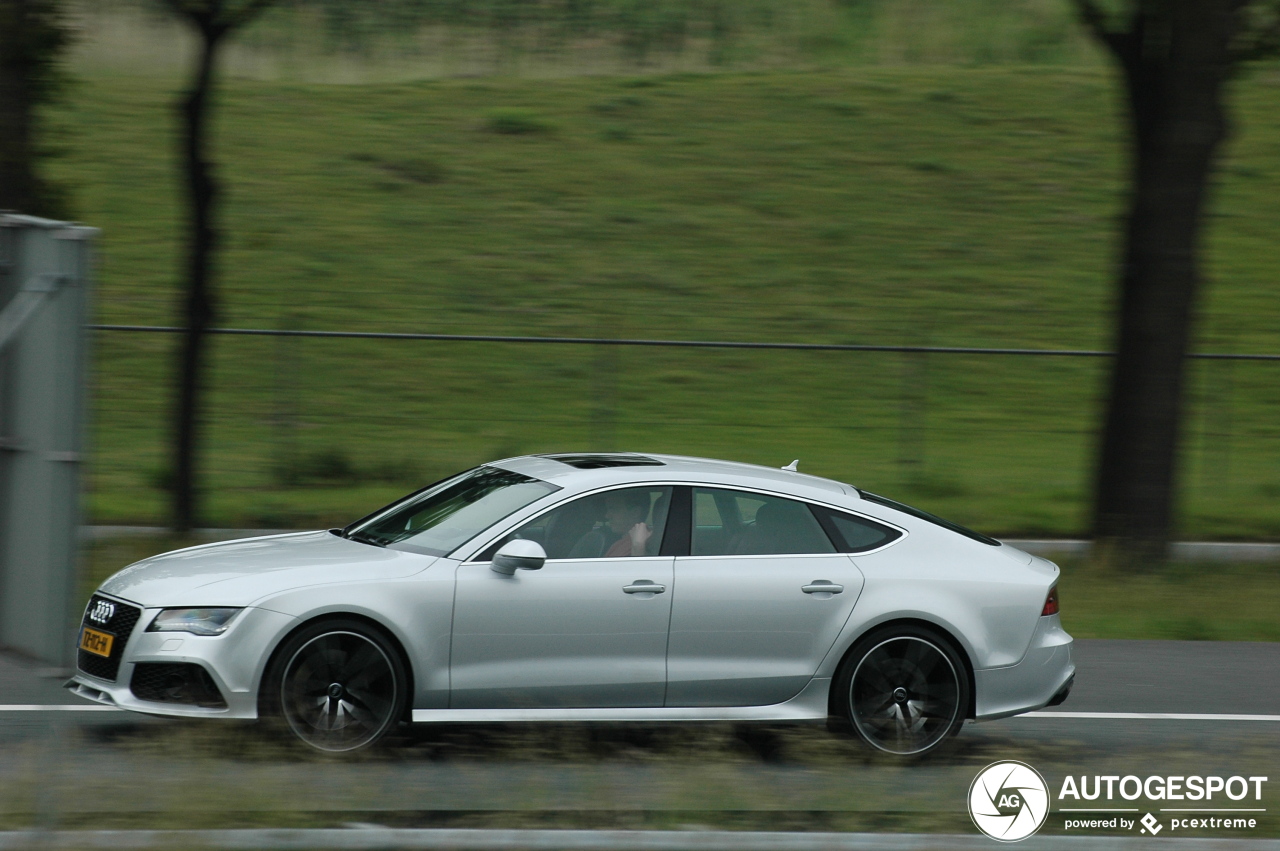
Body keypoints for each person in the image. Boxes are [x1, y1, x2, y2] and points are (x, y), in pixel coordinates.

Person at [602, 489, 652, 557]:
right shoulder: (623, 542)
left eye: (613, 509)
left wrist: (638, 546)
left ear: (635, 512)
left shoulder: (643, 545)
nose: (607, 516)